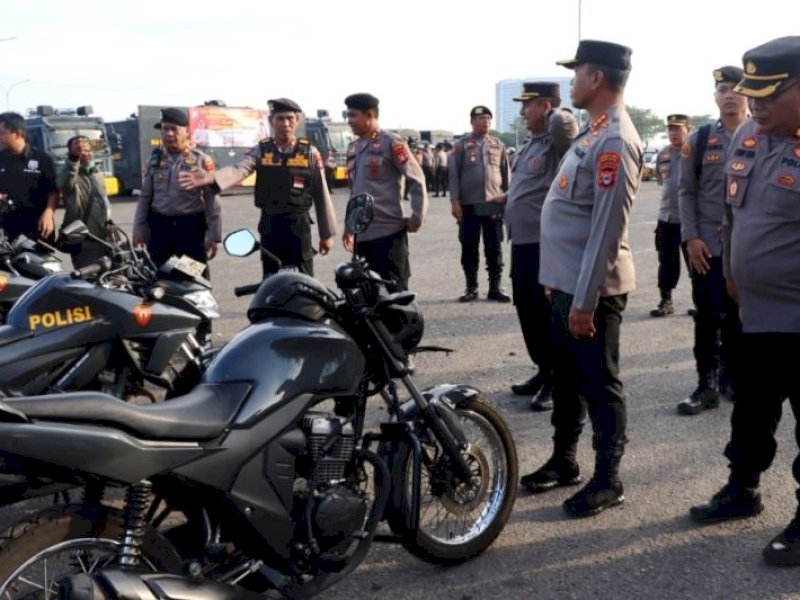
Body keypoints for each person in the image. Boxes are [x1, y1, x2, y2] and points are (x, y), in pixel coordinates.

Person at [690, 36, 800, 567]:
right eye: (751, 93)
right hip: (751, 310)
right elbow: (730, 216)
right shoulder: (748, 138)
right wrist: (731, 271)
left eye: (768, 94)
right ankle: (743, 488)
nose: (754, 104)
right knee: (752, 410)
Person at [520, 40, 642, 518]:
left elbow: (607, 231)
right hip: (566, 283)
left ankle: (609, 480)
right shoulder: (593, 132)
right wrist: (555, 279)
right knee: (566, 378)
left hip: (592, 292)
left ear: (597, 78)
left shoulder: (614, 140)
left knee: (599, 383)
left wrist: (584, 301)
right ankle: (565, 460)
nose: (571, 81)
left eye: (577, 73)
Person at [180, 98, 336, 277]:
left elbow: (321, 194)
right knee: (271, 278)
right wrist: (212, 177)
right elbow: (240, 168)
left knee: (304, 280)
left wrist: (326, 235)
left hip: (299, 227)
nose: (285, 124)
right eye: (280, 119)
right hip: (270, 225)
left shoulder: (310, 153)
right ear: (271, 121)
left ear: (297, 121)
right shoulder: (261, 150)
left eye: (289, 118)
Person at [500, 82, 579, 411]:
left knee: (545, 313)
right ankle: (543, 368)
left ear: (545, 107)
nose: (522, 111)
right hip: (522, 241)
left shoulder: (558, 136)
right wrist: (506, 200)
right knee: (527, 309)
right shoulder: (530, 143)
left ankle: (556, 378)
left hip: (544, 244)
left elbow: (565, 124)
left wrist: (555, 111)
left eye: (527, 105)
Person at [676, 66, 747, 415]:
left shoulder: (762, 135)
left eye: (736, 88)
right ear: (715, 96)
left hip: (747, 248)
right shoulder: (699, 139)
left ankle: (732, 378)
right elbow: (686, 191)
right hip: (709, 247)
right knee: (707, 317)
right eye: (723, 89)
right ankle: (706, 384)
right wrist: (691, 238)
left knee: (740, 317)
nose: (729, 94)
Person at [342, 93, 427, 291]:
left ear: (369, 115)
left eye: (353, 115)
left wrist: (417, 216)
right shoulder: (354, 148)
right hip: (362, 236)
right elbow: (355, 191)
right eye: (348, 115)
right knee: (366, 294)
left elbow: (417, 180)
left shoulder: (392, 143)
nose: (349, 121)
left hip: (388, 235)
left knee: (395, 294)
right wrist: (349, 225)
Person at [133, 108, 220, 272]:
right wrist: (139, 228)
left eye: (174, 129)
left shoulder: (200, 160)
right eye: (165, 129)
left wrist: (213, 234)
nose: (169, 134)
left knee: (192, 274)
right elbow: (145, 196)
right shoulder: (154, 159)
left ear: (186, 131)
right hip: (159, 228)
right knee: (160, 274)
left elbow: (212, 200)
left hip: (189, 229)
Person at [449, 106, 511, 303]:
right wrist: (454, 201)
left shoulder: (498, 145)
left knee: (494, 247)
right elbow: (454, 175)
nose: (485, 121)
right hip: (469, 204)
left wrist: (507, 199)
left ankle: (495, 288)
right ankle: (471, 287)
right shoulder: (461, 145)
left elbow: (506, 175)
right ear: (472, 122)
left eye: (488, 118)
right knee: (469, 247)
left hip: (493, 202)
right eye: (481, 118)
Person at [650, 114, 692, 317]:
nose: (673, 133)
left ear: (688, 130)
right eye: (670, 129)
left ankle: (701, 302)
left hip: (689, 219)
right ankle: (666, 301)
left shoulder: (694, 152)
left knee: (696, 263)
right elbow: (662, 181)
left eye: (678, 129)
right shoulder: (663, 154)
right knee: (666, 261)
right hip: (666, 218)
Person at [0, 112, 57, 242]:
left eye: (2, 133)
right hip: (8, 226)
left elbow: (53, 191)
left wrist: (48, 215)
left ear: (18, 133)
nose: (0, 137)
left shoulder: (42, 159)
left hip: (38, 225)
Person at [57, 135, 112, 268]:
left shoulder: (97, 173)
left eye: (87, 150)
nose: (85, 154)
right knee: (88, 275)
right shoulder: (68, 174)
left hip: (104, 236)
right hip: (83, 237)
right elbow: (64, 183)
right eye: (79, 151)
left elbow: (103, 201)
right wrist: (73, 159)